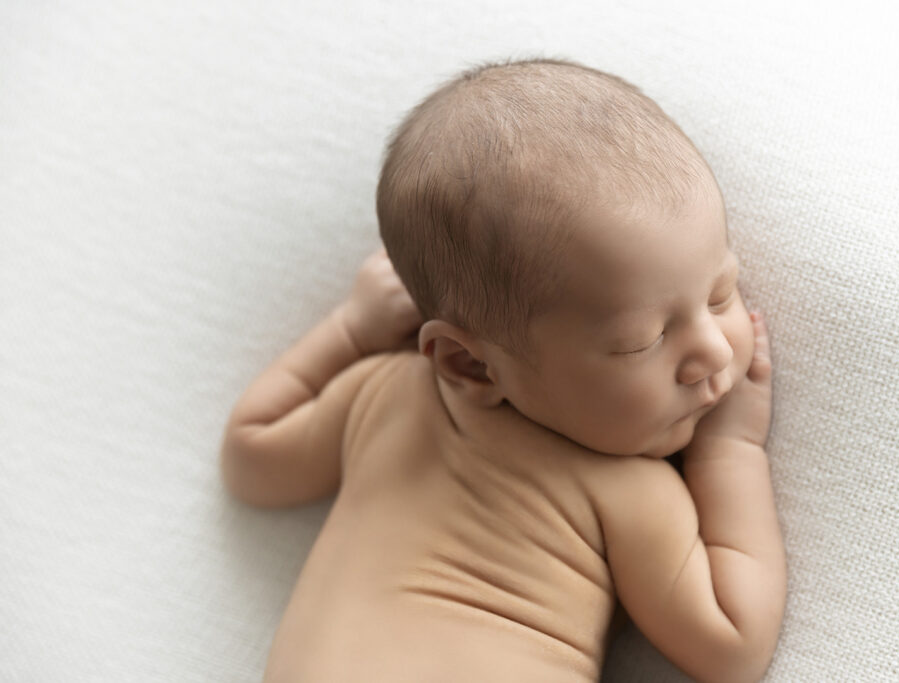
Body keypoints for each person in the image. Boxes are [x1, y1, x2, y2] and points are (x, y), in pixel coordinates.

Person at [220, 58, 786, 683]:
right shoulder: (623, 491)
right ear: (470, 364)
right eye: (640, 341)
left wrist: (351, 329)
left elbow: (252, 457)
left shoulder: (380, 393)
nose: (712, 351)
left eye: (720, 294)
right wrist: (729, 450)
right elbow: (733, 649)